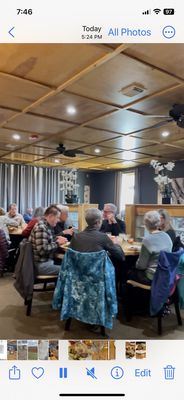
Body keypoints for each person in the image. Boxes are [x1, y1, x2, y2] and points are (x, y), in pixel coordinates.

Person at [131, 210, 172, 285]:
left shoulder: (147, 240)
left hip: (151, 277)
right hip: (165, 275)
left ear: (145, 224)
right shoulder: (167, 237)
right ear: (159, 222)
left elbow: (141, 266)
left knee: (128, 271)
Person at [30, 205, 67, 275]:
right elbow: (42, 251)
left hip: (45, 261)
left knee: (66, 263)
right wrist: (58, 243)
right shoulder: (41, 228)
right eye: (57, 218)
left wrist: (56, 238)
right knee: (67, 270)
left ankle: (58, 285)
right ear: (50, 216)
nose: (58, 220)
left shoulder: (46, 226)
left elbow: (46, 239)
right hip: (41, 265)